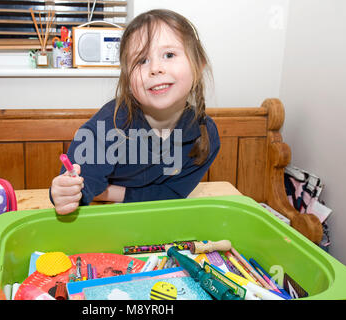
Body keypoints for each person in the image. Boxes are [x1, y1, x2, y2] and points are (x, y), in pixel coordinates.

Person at [50, 9, 220, 215]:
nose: (156, 68)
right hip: (102, 215)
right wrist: (65, 192)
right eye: (141, 60)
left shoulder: (205, 136)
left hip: (156, 217)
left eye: (169, 55)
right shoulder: (109, 124)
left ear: (199, 65)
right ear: (128, 79)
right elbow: (79, 187)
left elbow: (171, 195)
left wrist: (110, 192)